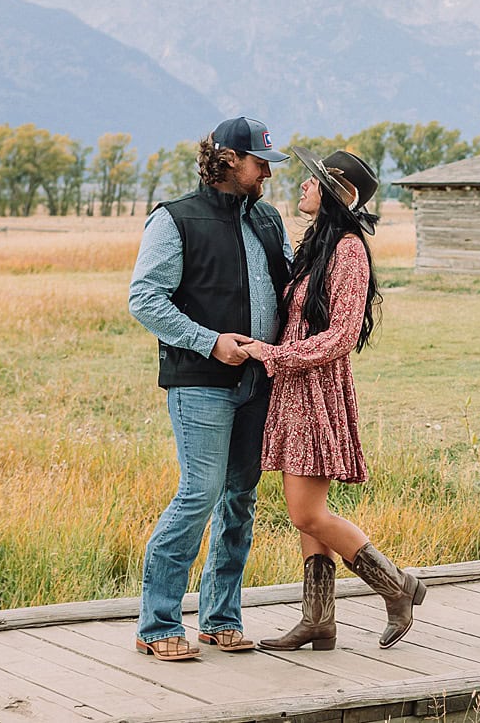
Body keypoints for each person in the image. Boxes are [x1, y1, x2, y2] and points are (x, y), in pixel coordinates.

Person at [242, 146, 427, 651]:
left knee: (306, 514)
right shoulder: (317, 246)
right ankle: (319, 620)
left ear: (335, 195)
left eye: (313, 180)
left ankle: (398, 586)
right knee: (308, 509)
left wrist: (272, 354)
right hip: (295, 388)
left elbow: (343, 334)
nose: (303, 185)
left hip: (315, 390)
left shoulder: (347, 248)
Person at [128, 116, 293, 662]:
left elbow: (288, 289)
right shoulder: (174, 220)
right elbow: (145, 299)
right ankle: (157, 624)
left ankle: (221, 617)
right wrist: (210, 341)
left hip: (259, 382)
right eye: (259, 161)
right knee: (199, 494)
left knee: (240, 498)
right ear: (227, 160)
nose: (268, 171)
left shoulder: (268, 220)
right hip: (201, 380)